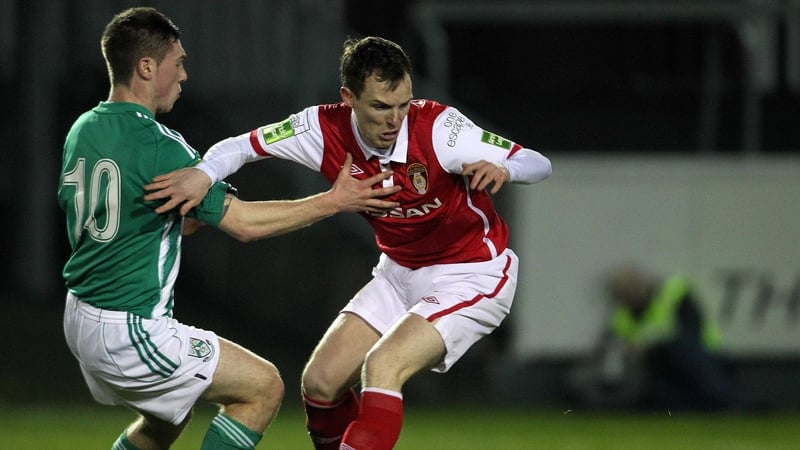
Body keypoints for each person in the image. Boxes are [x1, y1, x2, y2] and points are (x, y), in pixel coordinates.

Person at [144, 36, 552, 449]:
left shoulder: (442, 128)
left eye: (403, 105)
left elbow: (537, 162)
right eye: (380, 106)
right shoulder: (321, 129)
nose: (395, 119)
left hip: (471, 273)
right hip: (398, 273)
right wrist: (203, 175)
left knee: (384, 364)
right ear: (348, 98)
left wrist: (503, 166)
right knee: (320, 383)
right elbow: (240, 147)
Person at [58, 9, 399, 450]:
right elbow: (244, 225)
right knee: (262, 388)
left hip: (80, 316)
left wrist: (186, 217)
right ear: (146, 67)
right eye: (177, 63)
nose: (183, 75)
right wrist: (333, 200)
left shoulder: (84, 129)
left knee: (166, 419)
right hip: (128, 327)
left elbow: (123, 219)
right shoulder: (161, 145)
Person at [578, 263, 739, 411]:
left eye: (631, 287)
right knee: (658, 396)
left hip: (704, 357)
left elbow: (691, 332)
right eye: (623, 293)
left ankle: (730, 402)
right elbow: (607, 350)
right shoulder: (621, 318)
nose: (629, 294)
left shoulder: (674, 291)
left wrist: (649, 347)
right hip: (663, 369)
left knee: (685, 353)